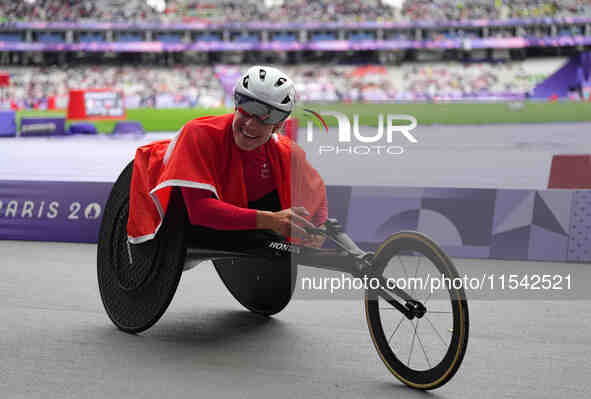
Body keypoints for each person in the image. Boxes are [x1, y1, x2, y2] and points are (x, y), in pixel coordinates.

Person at [127, 65, 328, 249]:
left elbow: (317, 195)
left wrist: (318, 229)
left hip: (242, 215)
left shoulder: (287, 153)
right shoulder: (197, 133)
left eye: (263, 119)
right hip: (180, 215)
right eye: (246, 111)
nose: (250, 124)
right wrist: (271, 220)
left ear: (279, 125)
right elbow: (199, 211)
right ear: (235, 106)